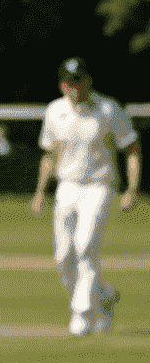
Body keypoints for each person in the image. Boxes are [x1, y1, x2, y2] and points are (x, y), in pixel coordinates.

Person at [30, 57, 140, 335]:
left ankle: (81, 314)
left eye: (79, 80)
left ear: (88, 80)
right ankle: (104, 296)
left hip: (99, 186)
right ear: (62, 85)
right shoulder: (55, 111)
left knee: (85, 246)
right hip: (67, 186)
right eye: (69, 82)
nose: (75, 87)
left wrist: (132, 189)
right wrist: (40, 192)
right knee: (63, 256)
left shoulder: (108, 109)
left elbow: (132, 148)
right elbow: (50, 153)